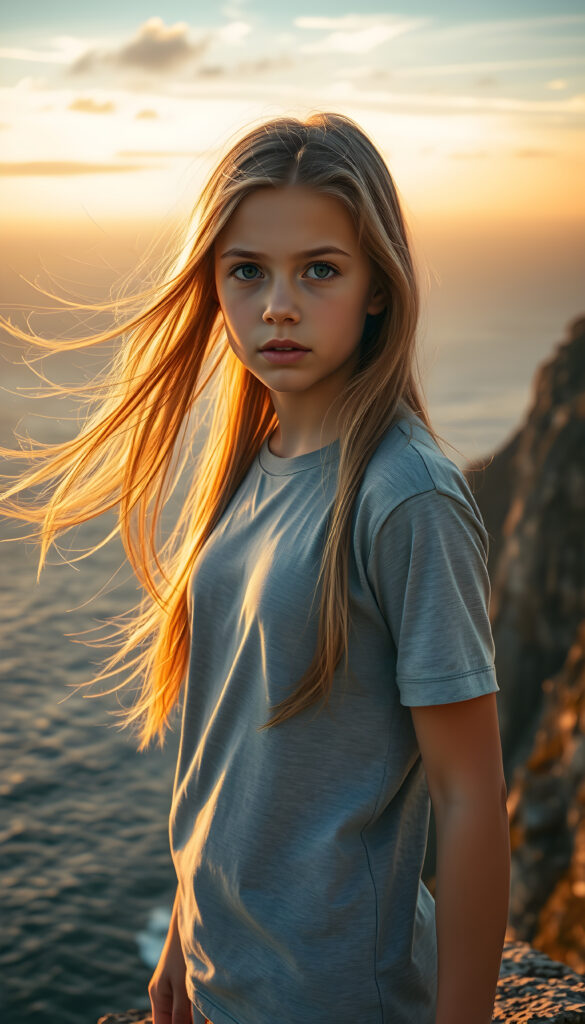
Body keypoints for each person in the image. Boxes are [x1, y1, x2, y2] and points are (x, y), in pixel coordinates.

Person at [0, 111, 510, 1024]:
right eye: (248, 272)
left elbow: (469, 792)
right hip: (227, 978)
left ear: (377, 288)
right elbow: (228, 754)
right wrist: (182, 944)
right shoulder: (250, 461)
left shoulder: (405, 497)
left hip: (332, 996)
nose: (279, 304)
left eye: (320, 269)